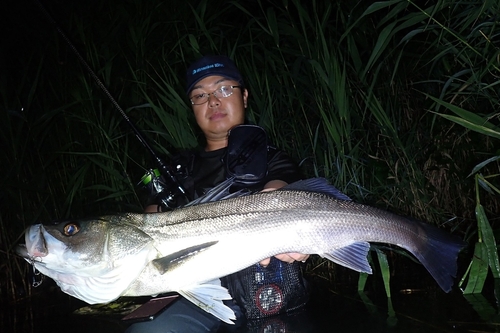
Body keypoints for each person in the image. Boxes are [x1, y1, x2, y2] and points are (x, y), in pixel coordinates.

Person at [127, 55, 311, 332]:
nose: (213, 101)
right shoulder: (176, 170)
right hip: (195, 297)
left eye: (224, 89)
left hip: (269, 292)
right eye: (200, 95)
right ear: (192, 108)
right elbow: (145, 228)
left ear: (245, 96)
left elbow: (278, 193)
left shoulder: (273, 159)